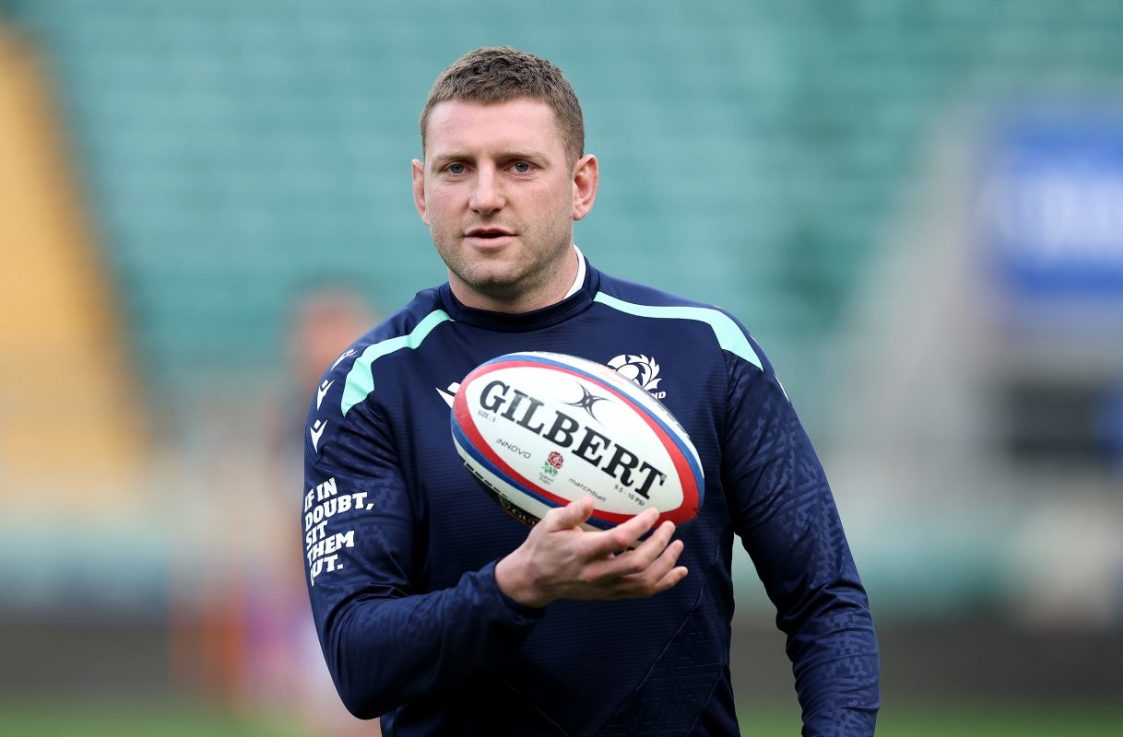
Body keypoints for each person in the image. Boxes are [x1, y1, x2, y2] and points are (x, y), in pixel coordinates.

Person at [302, 46, 879, 736]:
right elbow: (358, 658)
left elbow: (825, 599)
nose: (486, 195)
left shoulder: (706, 352)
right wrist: (518, 585)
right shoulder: (369, 386)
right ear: (422, 191)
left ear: (581, 185)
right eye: (458, 168)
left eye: (519, 165)